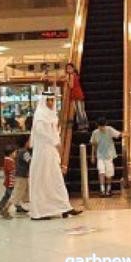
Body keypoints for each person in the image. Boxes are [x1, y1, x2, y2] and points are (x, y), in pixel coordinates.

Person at [29, 91, 82, 220]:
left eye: (52, 100)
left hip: (51, 152)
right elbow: (41, 132)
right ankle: (40, 212)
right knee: (43, 180)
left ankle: (64, 207)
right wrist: (54, 142)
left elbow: (54, 132)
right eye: (48, 100)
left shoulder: (52, 114)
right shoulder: (40, 115)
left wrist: (56, 143)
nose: (51, 103)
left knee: (56, 179)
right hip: (42, 152)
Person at [90, 117, 123, 197]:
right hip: (100, 155)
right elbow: (94, 144)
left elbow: (119, 134)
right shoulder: (95, 133)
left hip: (109, 155)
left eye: (103, 126)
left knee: (109, 173)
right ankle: (102, 190)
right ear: (97, 126)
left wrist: (127, 134)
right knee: (101, 171)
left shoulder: (109, 129)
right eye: (100, 126)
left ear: (105, 124)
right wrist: (93, 156)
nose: (102, 128)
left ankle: (108, 189)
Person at [0, 134, 32, 216]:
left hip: (21, 175)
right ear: (25, 143)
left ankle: (23, 207)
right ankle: (5, 208)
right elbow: (30, 161)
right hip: (22, 176)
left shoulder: (18, 151)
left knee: (25, 192)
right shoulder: (25, 152)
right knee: (17, 193)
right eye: (29, 141)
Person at [65, 63, 88, 132]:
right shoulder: (76, 75)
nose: (68, 69)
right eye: (67, 68)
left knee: (79, 111)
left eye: (70, 68)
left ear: (73, 68)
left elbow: (71, 86)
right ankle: (85, 126)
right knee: (82, 111)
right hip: (79, 93)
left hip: (75, 94)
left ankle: (82, 127)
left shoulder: (72, 75)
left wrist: (67, 80)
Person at [0, 145, 16, 219]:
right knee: (11, 196)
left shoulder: (7, 160)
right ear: (11, 153)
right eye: (15, 152)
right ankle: (4, 209)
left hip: (8, 182)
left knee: (6, 195)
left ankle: (0, 205)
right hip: (10, 183)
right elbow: (11, 171)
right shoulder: (9, 161)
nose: (15, 154)